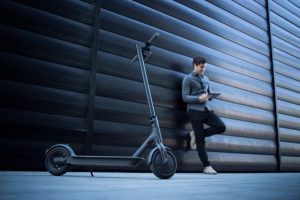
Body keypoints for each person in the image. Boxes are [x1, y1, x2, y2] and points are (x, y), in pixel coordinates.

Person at [182, 56, 226, 175]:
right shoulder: (187, 79)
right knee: (200, 140)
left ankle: (195, 135)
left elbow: (208, 93)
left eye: (204, 67)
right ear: (195, 65)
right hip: (194, 111)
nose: (203, 69)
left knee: (221, 127)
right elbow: (184, 97)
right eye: (201, 67)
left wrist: (210, 97)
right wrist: (198, 99)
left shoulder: (207, 79)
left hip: (207, 109)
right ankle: (206, 166)